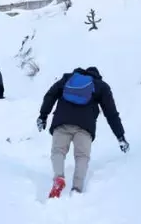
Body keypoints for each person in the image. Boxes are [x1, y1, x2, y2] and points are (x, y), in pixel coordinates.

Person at [37, 66, 129, 198]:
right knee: (81, 157)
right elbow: (111, 114)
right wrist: (120, 136)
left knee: (58, 152)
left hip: (61, 121)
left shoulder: (68, 78)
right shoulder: (101, 86)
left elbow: (50, 95)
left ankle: (59, 178)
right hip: (85, 126)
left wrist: (43, 116)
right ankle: (76, 190)